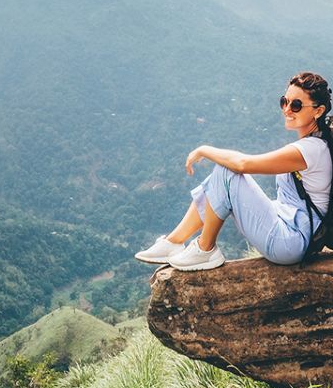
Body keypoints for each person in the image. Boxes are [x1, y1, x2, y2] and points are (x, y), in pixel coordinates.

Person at [135, 72, 333, 271]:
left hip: (290, 242)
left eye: (296, 105)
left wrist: (204, 149)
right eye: (284, 101)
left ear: (318, 111)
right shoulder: (317, 144)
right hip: (290, 228)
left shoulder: (311, 150)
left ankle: (205, 249)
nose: (287, 109)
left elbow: (242, 164)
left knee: (227, 172)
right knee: (220, 180)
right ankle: (173, 242)